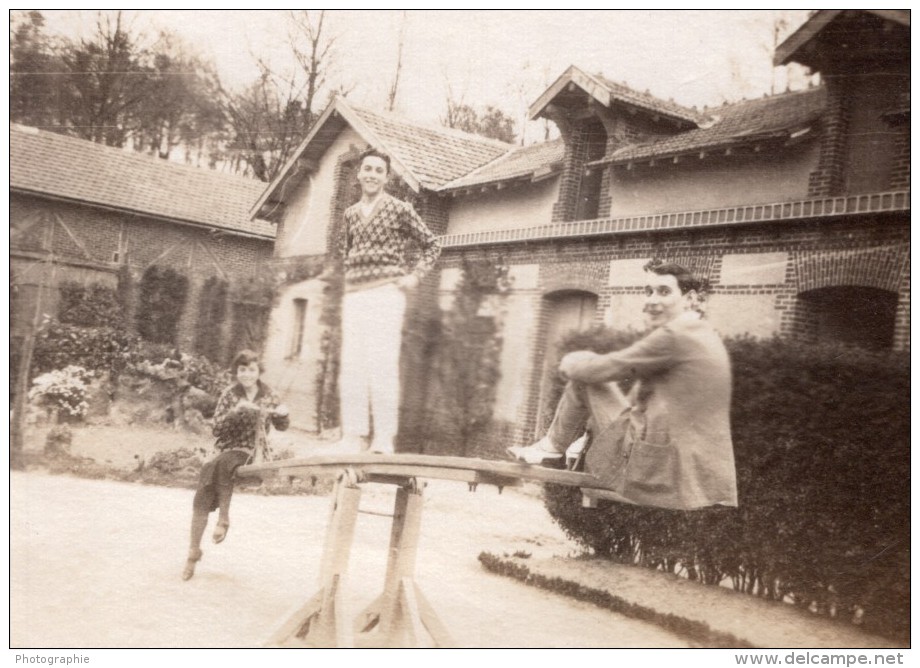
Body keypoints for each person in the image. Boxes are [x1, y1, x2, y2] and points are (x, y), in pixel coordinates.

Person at [509, 262, 737, 510]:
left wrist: (570, 360)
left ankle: (552, 447)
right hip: (703, 475)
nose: (652, 300)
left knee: (583, 377)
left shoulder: (674, 336)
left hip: (660, 469)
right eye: (648, 291)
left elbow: (606, 368)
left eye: (663, 291)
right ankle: (574, 440)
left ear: (689, 298)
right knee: (616, 395)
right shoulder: (704, 335)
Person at [336, 147, 441, 454]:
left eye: (378, 170)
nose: (372, 175)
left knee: (381, 365)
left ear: (386, 177)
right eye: (367, 169)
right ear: (359, 174)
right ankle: (353, 435)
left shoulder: (400, 209)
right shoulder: (350, 214)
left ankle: (383, 438)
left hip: (386, 295)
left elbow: (432, 245)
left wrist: (414, 276)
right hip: (355, 296)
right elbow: (346, 252)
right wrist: (351, 280)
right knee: (353, 366)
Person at [182, 350, 289, 580]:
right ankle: (194, 549)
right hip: (225, 448)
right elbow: (217, 429)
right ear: (236, 372)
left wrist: (283, 415)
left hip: (252, 451)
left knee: (224, 462)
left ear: (259, 372)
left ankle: (223, 519)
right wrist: (234, 412)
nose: (247, 375)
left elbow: (282, 426)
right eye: (242, 370)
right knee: (208, 474)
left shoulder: (269, 395)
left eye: (252, 370)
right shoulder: (230, 395)